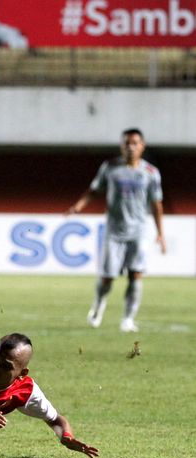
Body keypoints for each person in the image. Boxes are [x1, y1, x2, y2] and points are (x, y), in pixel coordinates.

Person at [67, 128, 166, 333]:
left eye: (135, 143)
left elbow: (157, 204)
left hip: (138, 231)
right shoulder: (110, 168)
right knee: (107, 277)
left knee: (135, 274)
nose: (131, 147)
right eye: (127, 143)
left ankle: (128, 319)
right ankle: (98, 305)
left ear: (142, 146)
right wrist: (78, 206)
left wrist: (160, 232)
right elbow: (94, 190)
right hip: (114, 232)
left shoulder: (150, 173)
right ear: (122, 146)